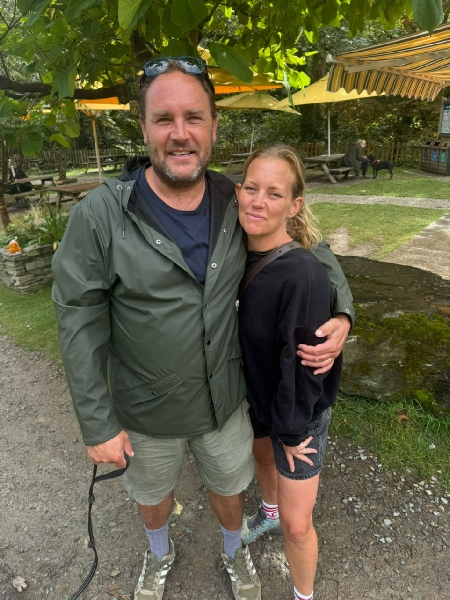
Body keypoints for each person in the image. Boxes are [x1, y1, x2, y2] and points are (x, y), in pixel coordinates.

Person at [51, 56, 354, 600]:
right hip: (146, 408)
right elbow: (77, 317)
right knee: (152, 496)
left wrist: (343, 313)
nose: (180, 133)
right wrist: (97, 424)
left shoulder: (234, 200)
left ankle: (234, 552)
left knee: (228, 488)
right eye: (163, 119)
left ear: (213, 127)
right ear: (144, 127)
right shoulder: (100, 215)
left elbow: (308, 245)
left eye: (193, 117)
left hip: (224, 401)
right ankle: (158, 552)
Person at [237, 145, 343, 600]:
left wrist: (291, 431)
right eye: (252, 188)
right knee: (263, 462)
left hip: (297, 415)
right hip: (259, 399)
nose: (259, 201)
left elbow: (305, 368)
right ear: (237, 191)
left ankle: (304, 595)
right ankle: (268, 511)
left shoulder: (302, 273)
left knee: (298, 526)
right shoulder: (233, 254)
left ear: (294, 206)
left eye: (274, 193)